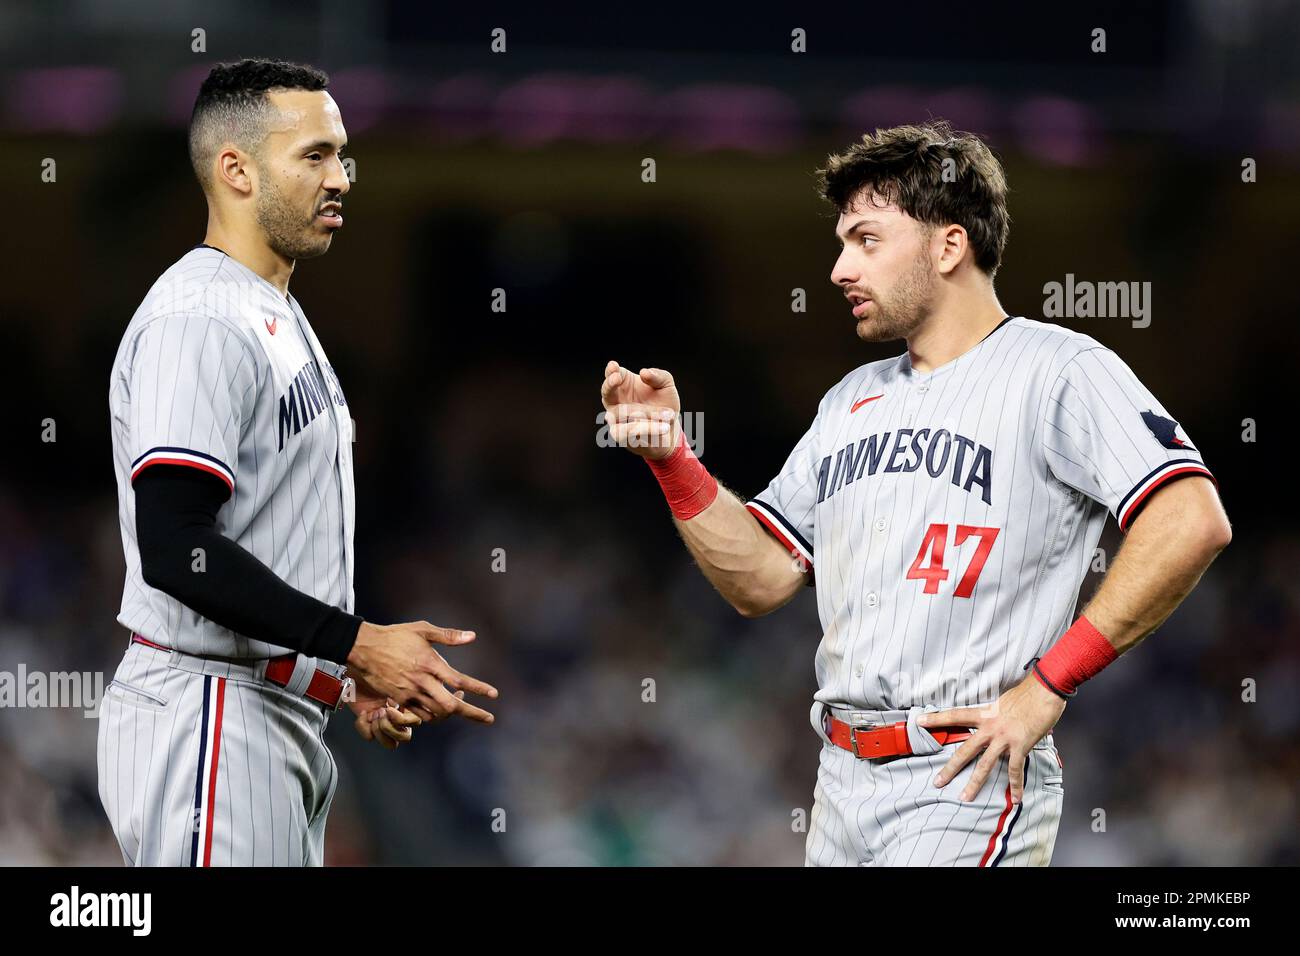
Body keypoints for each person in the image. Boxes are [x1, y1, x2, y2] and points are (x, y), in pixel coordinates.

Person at [600, 121, 1231, 866]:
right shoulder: (849, 400)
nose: (839, 268)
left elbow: (1192, 519)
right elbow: (761, 578)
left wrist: (1050, 684)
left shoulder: (1058, 369)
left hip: (963, 776)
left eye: (866, 240)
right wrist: (673, 459)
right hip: (839, 780)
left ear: (949, 246)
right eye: (842, 242)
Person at [99, 58, 497, 867]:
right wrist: (356, 643)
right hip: (208, 718)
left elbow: (269, 538)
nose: (341, 177)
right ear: (235, 170)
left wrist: (340, 677)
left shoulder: (271, 306)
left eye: (342, 154)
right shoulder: (201, 317)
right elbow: (178, 546)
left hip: (262, 716)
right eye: (313, 155)